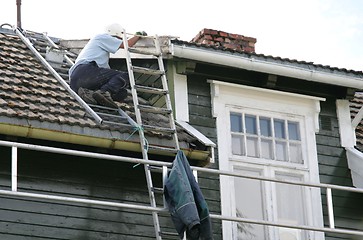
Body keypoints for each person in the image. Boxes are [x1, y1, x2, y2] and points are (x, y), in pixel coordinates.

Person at [69, 23, 147, 108]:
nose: (117, 41)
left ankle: (90, 94)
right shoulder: (102, 37)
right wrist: (138, 34)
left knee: (122, 93)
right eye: (118, 39)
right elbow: (127, 43)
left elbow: (110, 78)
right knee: (125, 76)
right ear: (114, 35)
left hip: (76, 82)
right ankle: (103, 92)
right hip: (84, 71)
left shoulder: (100, 57)